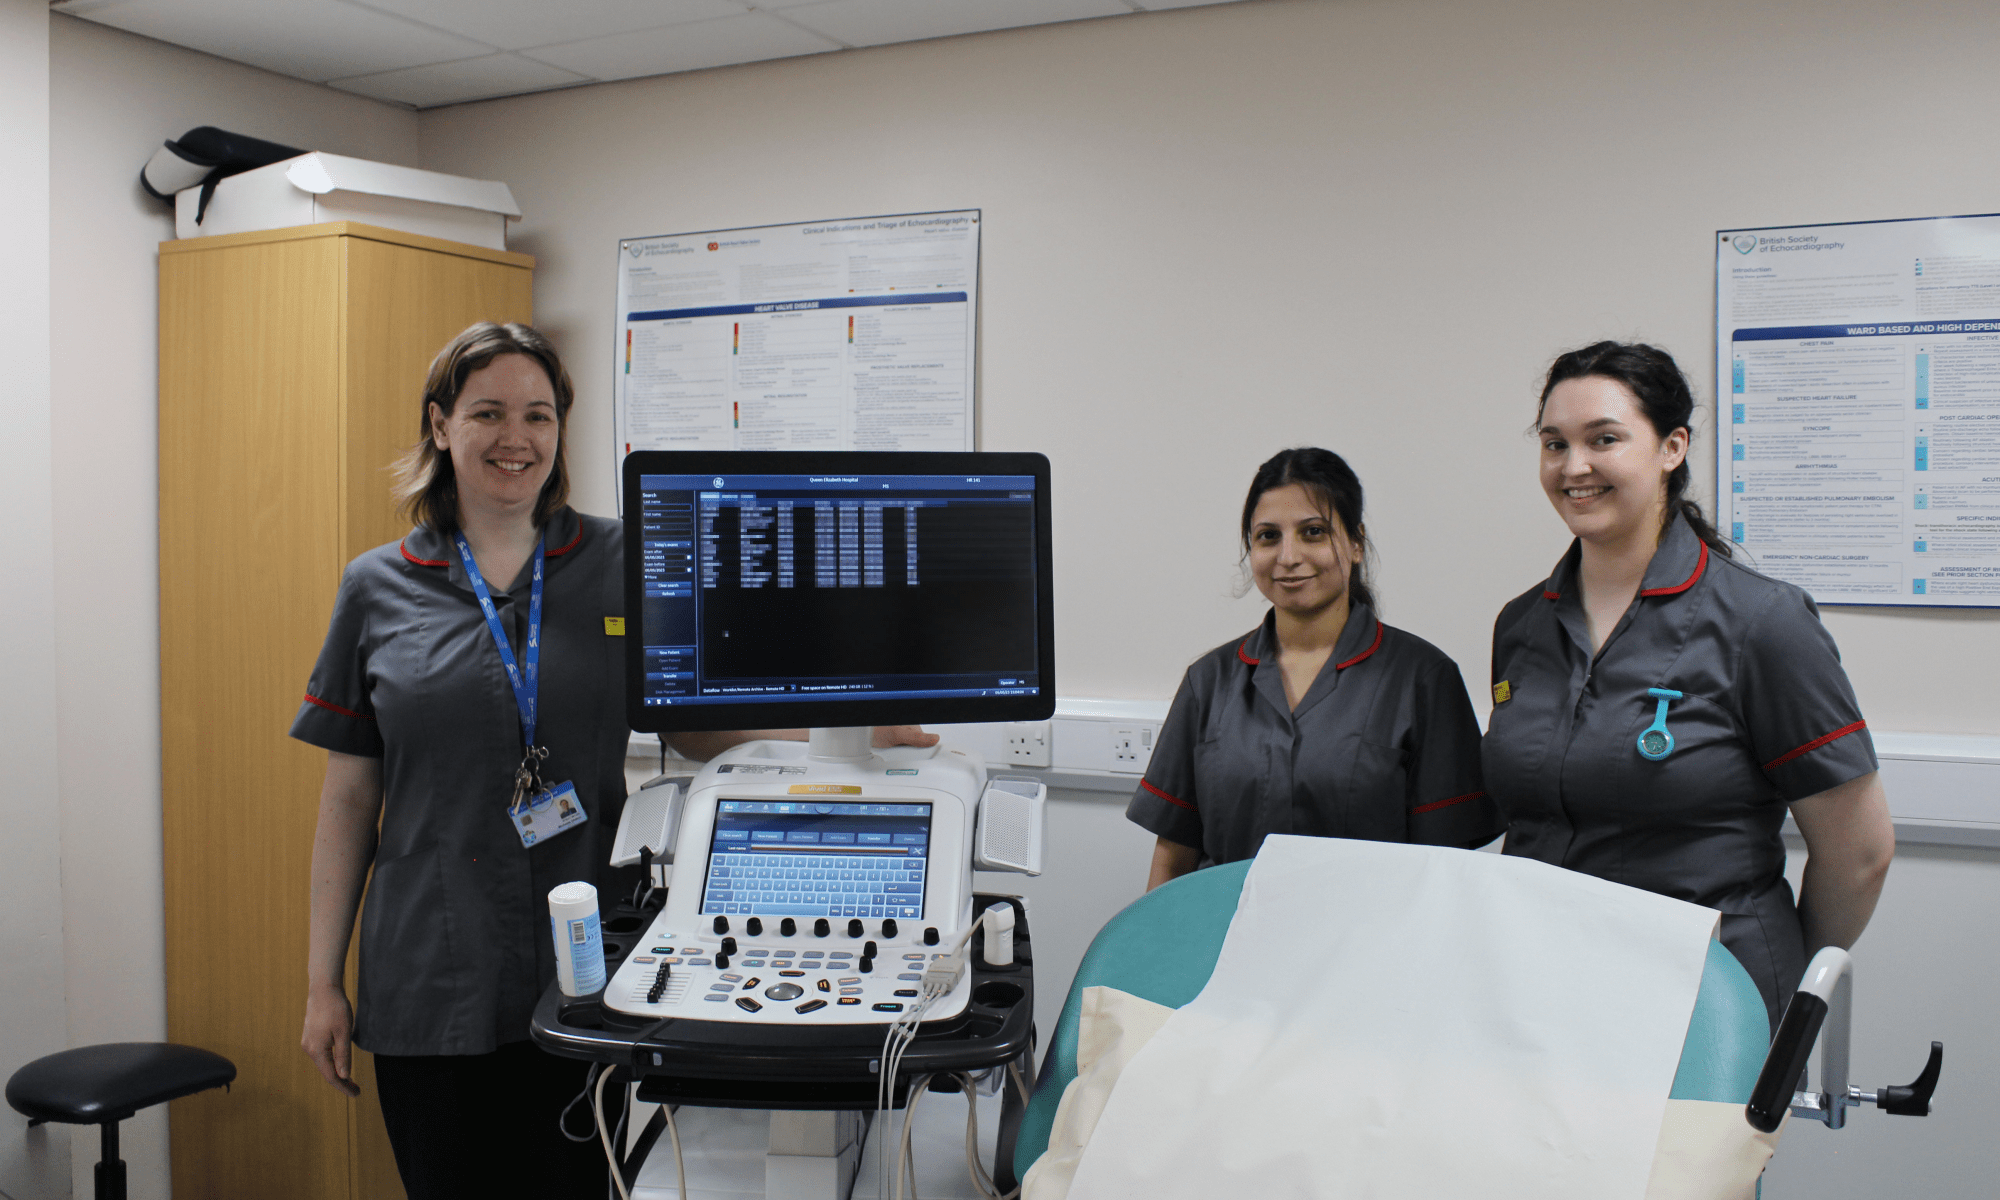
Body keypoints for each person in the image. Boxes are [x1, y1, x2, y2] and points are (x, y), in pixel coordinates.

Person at [294, 322, 628, 1199]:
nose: (516, 438)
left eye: (538, 415)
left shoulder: (618, 562)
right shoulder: (377, 585)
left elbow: (699, 724)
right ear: (441, 425)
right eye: (488, 412)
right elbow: (347, 800)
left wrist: (845, 735)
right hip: (428, 979)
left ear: (560, 431)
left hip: (590, 975)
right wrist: (322, 985)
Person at [1484, 341, 1895, 1031]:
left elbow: (1860, 852)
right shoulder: (1523, 625)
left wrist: (1781, 980)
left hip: (1702, 1006)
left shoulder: (1762, 622)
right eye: (1554, 444)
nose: (1573, 466)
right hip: (1542, 993)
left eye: (1604, 439)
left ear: (1672, 448)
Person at [1128, 447, 1502, 891]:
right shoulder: (1208, 681)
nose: (1288, 556)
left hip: (1367, 948)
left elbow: (1444, 867)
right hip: (1225, 943)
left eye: (1313, 532)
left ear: (1356, 542)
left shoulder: (1424, 679)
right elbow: (1173, 857)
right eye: (1268, 536)